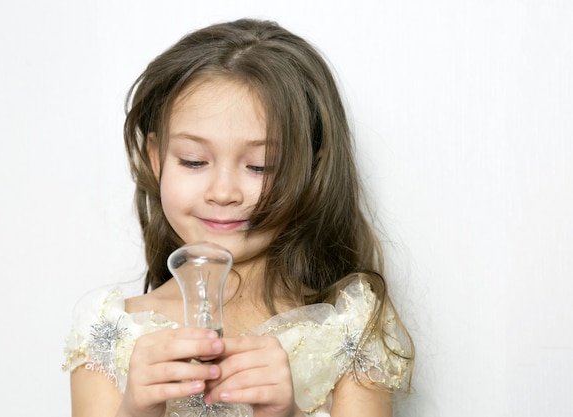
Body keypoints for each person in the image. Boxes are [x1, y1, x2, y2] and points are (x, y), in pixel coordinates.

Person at [63, 18, 414, 417]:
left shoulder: (352, 325)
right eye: (194, 161)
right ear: (157, 159)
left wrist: (288, 414)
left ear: (310, 172)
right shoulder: (109, 329)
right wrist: (135, 411)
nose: (224, 192)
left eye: (260, 166)